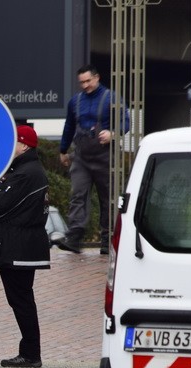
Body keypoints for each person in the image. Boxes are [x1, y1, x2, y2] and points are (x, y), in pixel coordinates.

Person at [0, 125, 50, 368]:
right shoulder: (26, 170)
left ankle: (30, 353)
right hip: (21, 246)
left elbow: (1, 204)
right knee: (21, 299)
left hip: (17, 248)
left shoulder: (25, 173)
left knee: (21, 300)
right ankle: (29, 351)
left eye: (13, 143)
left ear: (24, 145)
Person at [55, 64, 129, 255]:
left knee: (108, 199)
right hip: (81, 156)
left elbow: (125, 122)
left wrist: (113, 133)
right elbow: (69, 126)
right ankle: (74, 237)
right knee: (77, 194)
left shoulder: (112, 98)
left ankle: (107, 240)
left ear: (97, 78)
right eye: (82, 82)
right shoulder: (75, 101)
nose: (85, 85)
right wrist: (63, 150)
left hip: (106, 155)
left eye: (88, 81)